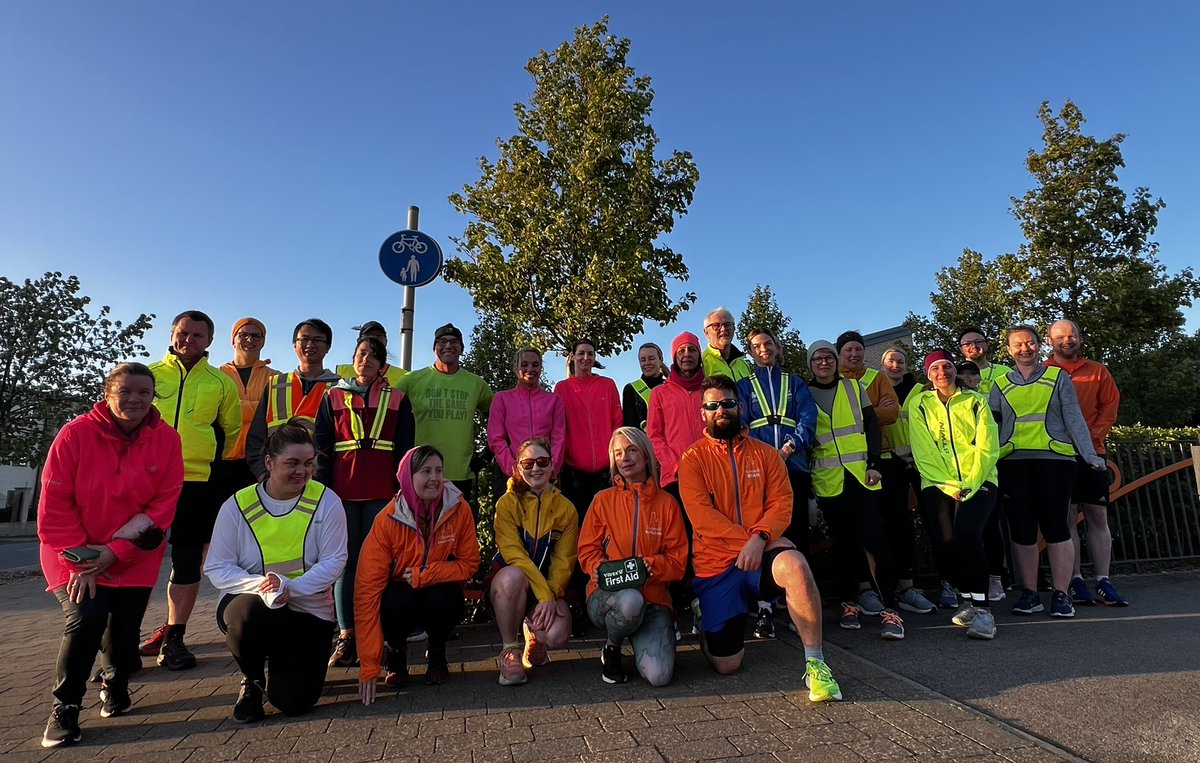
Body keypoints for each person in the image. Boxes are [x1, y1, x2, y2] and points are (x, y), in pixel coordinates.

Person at [37, 364, 184, 748]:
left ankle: (115, 682)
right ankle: (65, 707)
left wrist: (114, 553)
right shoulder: (75, 435)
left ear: (154, 396)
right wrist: (82, 562)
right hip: (70, 551)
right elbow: (54, 506)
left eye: (144, 393)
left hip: (133, 553)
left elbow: (163, 504)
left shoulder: (167, 439)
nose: (135, 399)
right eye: (125, 391)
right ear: (108, 394)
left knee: (123, 632)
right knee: (86, 618)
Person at [678, 375, 842, 701]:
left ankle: (817, 665)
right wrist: (752, 542)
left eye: (727, 403)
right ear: (703, 414)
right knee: (727, 665)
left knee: (795, 565)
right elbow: (703, 518)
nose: (720, 410)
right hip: (717, 565)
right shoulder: (692, 459)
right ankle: (707, 614)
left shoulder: (767, 454)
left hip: (761, 552)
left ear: (740, 407)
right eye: (712, 405)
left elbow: (782, 504)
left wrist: (761, 538)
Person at [203, 423, 348, 722]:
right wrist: (263, 586)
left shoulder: (327, 501)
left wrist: (288, 588)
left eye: (309, 463)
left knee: (292, 703)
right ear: (269, 463)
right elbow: (217, 566)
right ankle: (253, 681)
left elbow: (335, 561)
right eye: (292, 463)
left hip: (309, 609)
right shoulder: (237, 505)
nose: (302, 472)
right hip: (255, 603)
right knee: (247, 616)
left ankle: (286, 662)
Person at [140, 310, 242, 670]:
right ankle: (119, 640)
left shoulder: (221, 382)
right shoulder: (148, 375)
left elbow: (230, 433)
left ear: (210, 341)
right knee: (132, 559)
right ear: (172, 333)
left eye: (198, 336)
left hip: (196, 484)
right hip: (142, 484)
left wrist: (202, 461)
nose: (189, 340)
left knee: (185, 564)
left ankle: (175, 638)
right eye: (183, 333)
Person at [990, 325, 1107, 618]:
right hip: (1014, 463)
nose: (1024, 349)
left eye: (1029, 343)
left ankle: (1061, 593)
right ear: (1009, 350)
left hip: (1055, 461)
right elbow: (990, 428)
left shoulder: (1058, 377)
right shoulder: (1000, 383)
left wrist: (1089, 455)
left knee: (1056, 527)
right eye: (1017, 345)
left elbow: (1074, 418)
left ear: (1039, 345)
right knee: (1022, 530)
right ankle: (1030, 593)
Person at [315, 336, 415, 668]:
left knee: (379, 565)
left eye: (374, 355)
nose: (366, 359)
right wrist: (322, 491)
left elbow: (405, 449)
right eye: (361, 354)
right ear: (354, 358)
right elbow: (322, 446)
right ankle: (347, 636)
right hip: (341, 494)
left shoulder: (398, 398)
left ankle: (379, 634)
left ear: (383, 364)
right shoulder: (333, 396)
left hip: (382, 493)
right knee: (345, 564)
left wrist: (403, 491)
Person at [354, 446, 480, 702]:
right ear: (407, 478)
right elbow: (366, 591)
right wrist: (369, 666)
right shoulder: (386, 520)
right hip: (400, 594)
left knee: (447, 598)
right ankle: (396, 657)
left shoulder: (459, 508)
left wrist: (428, 574)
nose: (435, 478)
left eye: (439, 471)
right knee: (392, 601)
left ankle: (436, 654)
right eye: (426, 471)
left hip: (437, 587)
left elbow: (469, 564)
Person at [807, 341, 905, 639]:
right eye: (817, 359)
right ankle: (850, 603)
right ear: (810, 364)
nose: (824, 363)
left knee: (868, 536)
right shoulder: (803, 393)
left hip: (863, 474)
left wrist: (875, 462)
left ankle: (891, 608)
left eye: (828, 358)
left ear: (836, 362)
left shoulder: (852, 387)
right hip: (828, 478)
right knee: (842, 541)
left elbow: (872, 425)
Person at [577, 427, 688, 685]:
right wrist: (595, 566)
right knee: (629, 600)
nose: (624, 458)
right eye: (617, 453)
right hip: (608, 597)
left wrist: (649, 566)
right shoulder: (602, 501)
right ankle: (612, 647)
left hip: (653, 600)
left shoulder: (667, 503)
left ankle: (651, 635)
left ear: (646, 455)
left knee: (659, 677)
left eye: (631, 450)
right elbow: (586, 550)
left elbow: (678, 561)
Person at [837, 331, 934, 616]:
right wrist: (872, 411)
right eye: (848, 350)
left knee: (899, 523)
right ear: (839, 353)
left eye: (858, 349)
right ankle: (866, 589)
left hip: (886, 459)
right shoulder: (832, 379)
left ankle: (906, 587)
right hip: (851, 463)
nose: (853, 355)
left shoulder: (876, 378)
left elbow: (891, 414)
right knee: (861, 530)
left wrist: (855, 416)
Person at [907, 351, 1001, 640]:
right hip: (938, 484)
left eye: (947, 366)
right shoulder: (919, 405)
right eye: (935, 368)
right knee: (945, 543)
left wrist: (970, 483)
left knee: (967, 535)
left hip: (980, 480)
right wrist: (950, 486)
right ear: (928, 375)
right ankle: (969, 600)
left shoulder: (976, 401)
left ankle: (984, 611)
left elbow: (987, 447)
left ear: (954, 371)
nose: (942, 372)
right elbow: (923, 451)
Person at [736, 327, 818, 638]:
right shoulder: (745, 385)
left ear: (778, 347)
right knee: (763, 530)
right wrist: (765, 455)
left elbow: (808, 418)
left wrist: (788, 448)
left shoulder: (795, 383)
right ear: (751, 352)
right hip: (758, 470)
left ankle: (799, 601)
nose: (763, 349)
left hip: (792, 464)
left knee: (796, 531)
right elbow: (741, 423)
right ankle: (765, 603)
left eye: (768, 344)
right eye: (756, 346)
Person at [1044, 319, 1127, 606]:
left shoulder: (1098, 371)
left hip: (1093, 452)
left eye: (1072, 335)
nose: (1067, 341)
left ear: (1080, 338)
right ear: (1049, 341)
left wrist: (1092, 436)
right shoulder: (1042, 372)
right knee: (1067, 518)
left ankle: (1103, 579)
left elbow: (1110, 407)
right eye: (1060, 337)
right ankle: (1075, 579)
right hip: (1058, 455)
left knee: (1097, 516)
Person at [488, 438, 579, 686]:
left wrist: (551, 594)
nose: (535, 468)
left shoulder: (567, 509)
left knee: (558, 634)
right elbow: (515, 556)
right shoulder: (506, 504)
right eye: (528, 463)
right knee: (513, 576)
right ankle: (510, 650)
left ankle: (535, 638)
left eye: (542, 462)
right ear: (517, 467)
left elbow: (564, 561)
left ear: (553, 467)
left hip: (545, 589)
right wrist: (546, 597)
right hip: (512, 587)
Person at [395, 323, 494, 499]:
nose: (448, 345)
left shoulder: (476, 383)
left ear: (462, 349)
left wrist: (486, 454)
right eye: (442, 341)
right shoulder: (411, 380)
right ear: (434, 349)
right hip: (420, 470)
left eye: (454, 342)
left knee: (456, 526)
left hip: (460, 473)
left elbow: (497, 418)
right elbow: (389, 414)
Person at [245, 318, 341, 481]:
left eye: (317, 340)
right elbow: (256, 438)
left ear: (328, 347)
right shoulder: (275, 383)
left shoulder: (339, 389)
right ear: (294, 345)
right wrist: (262, 473)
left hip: (320, 482)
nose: (310, 344)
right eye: (304, 339)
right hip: (275, 481)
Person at [554, 339, 623, 516]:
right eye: (581, 353)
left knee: (608, 520)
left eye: (590, 353)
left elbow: (617, 422)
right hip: (574, 471)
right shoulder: (562, 388)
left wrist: (616, 457)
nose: (586, 357)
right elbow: (559, 427)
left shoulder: (607, 385)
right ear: (572, 357)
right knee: (578, 523)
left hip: (606, 469)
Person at [487, 347, 566, 493]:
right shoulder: (501, 399)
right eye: (524, 365)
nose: (530, 369)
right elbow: (496, 439)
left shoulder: (554, 400)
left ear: (541, 368)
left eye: (535, 365)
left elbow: (559, 437)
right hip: (512, 476)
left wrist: (551, 469)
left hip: (546, 474)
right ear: (516, 367)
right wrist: (515, 470)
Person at [218, 317, 278, 492]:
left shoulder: (276, 378)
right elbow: (215, 412)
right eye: (243, 335)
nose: (249, 340)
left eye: (256, 336)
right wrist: (258, 407)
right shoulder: (217, 376)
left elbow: (273, 414)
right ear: (233, 339)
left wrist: (233, 406)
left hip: (261, 462)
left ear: (263, 341)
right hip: (223, 460)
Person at [646, 332, 707, 498]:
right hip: (675, 477)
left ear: (699, 355)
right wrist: (674, 465)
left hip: (710, 474)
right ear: (674, 356)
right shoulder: (659, 393)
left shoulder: (710, 389)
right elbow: (653, 435)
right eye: (681, 351)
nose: (687, 354)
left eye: (692, 349)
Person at [335, 321, 407, 387]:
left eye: (378, 335)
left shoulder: (403, 376)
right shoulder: (341, 371)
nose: (374, 338)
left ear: (386, 341)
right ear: (359, 341)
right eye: (369, 335)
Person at [700, 307, 753, 382]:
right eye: (716, 326)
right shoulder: (702, 363)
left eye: (727, 324)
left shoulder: (743, 363)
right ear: (706, 333)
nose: (723, 329)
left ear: (734, 328)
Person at [622, 342, 668, 429]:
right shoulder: (630, 389)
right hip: (643, 441)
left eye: (651, 358)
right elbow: (631, 427)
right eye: (643, 360)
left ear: (661, 360)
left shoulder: (671, 386)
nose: (647, 363)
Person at [958, 328, 1008, 395]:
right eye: (967, 344)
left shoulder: (1005, 372)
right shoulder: (954, 375)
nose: (974, 346)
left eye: (978, 342)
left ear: (987, 344)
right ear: (961, 349)